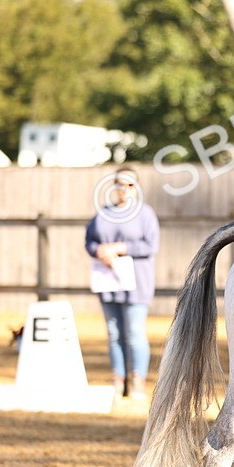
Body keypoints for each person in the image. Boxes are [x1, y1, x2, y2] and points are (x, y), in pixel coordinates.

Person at [85, 168, 160, 398]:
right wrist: (100, 251)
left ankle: (138, 380)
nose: (124, 189)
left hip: (137, 283)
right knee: (114, 333)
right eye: (119, 184)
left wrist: (121, 248)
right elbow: (89, 241)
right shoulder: (102, 214)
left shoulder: (145, 214)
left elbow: (150, 246)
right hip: (109, 283)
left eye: (129, 185)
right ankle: (119, 379)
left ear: (136, 188)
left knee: (135, 332)